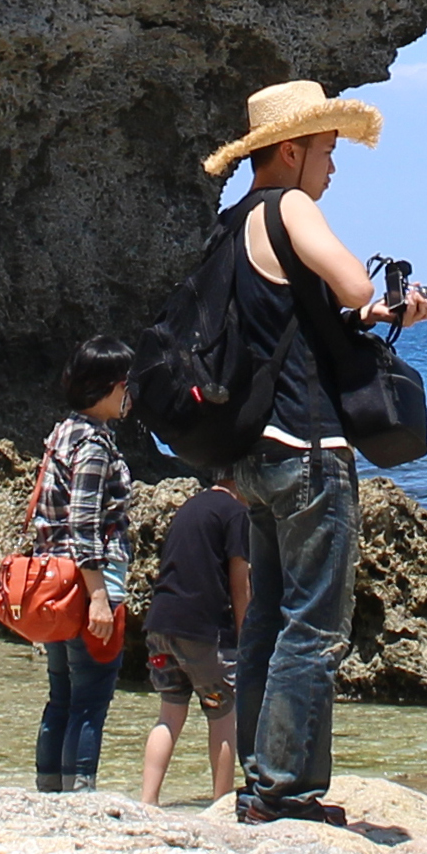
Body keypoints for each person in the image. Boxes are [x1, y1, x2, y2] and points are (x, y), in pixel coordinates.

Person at [204, 80, 427, 830]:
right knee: (315, 627)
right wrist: (401, 304)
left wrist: (365, 309)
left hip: (254, 454)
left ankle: (265, 784)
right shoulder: (289, 206)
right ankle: (282, 788)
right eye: (327, 151)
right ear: (289, 150)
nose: (332, 169)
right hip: (308, 447)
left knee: (266, 624)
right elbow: (346, 280)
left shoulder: (233, 222)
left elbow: (295, 311)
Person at [26, 340, 136, 792]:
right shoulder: (93, 443)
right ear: (107, 388)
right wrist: (98, 598)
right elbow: (84, 524)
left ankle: (50, 789)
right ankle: (79, 798)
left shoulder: (62, 433)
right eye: (127, 385)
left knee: (62, 694)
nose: (132, 394)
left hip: (52, 584)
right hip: (86, 584)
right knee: (90, 697)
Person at [138, 468, 251, 806]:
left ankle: (147, 800)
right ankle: (222, 802)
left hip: (161, 626)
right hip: (203, 634)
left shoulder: (190, 506)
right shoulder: (236, 513)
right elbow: (240, 583)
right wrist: (246, 635)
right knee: (222, 712)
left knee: (169, 714)